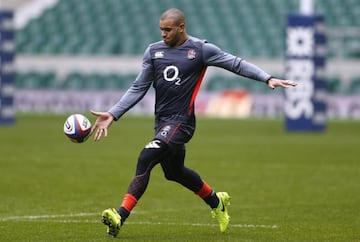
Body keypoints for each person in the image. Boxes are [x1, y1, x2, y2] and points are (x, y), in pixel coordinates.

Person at [91, 8, 297, 238]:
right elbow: (139, 87)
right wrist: (113, 114)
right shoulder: (153, 51)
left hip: (183, 123)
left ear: (181, 27)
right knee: (174, 172)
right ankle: (216, 201)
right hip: (162, 123)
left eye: (168, 30)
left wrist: (267, 77)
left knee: (146, 156)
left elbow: (235, 63)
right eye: (161, 30)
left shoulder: (200, 50)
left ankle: (120, 216)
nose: (164, 34)